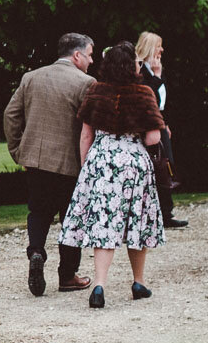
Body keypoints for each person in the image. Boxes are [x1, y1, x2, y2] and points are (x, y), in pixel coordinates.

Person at [59, 41, 167, 308]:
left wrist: (87, 167)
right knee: (136, 222)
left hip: (101, 159)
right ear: (133, 65)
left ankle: (99, 285)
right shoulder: (144, 93)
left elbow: (86, 135)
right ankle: (138, 282)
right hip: (133, 160)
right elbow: (153, 138)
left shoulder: (97, 91)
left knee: (103, 223)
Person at [2, 33, 97, 296]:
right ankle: (67, 276)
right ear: (76, 55)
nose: (91, 61)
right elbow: (91, 127)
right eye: (89, 55)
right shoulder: (86, 83)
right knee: (71, 219)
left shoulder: (31, 77)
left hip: (35, 160)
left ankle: (36, 252)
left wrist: (18, 150)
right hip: (70, 163)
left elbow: (10, 115)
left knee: (38, 211)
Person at [135, 31, 188, 228]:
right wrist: (156, 77)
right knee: (156, 166)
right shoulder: (141, 72)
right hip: (148, 126)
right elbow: (148, 99)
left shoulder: (157, 70)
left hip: (160, 124)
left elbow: (163, 103)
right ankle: (152, 214)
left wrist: (165, 123)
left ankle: (166, 212)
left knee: (166, 166)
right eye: (159, 46)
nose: (162, 50)